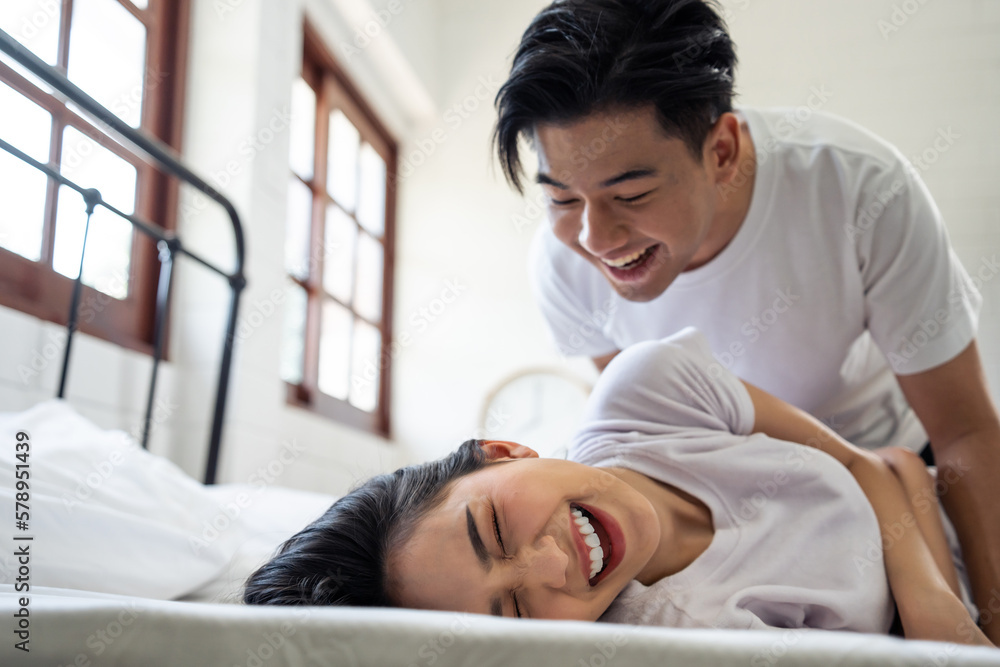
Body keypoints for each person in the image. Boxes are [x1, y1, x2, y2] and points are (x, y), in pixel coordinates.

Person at [492, 0, 1000, 641]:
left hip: (894, 468)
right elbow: (638, 435)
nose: (595, 237)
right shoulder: (562, 266)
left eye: (632, 195)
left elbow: (965, 429)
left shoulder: (862, 190)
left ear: (723, 150)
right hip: (737, 507)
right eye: (561, 197)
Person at [245, 329, 992, 647]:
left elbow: (873, 461)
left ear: (503, 452)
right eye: (511, 610)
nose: (548, 566)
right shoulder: (684, 638)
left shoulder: (650, 390)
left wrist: (939, 606)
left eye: (497, 530)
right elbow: (884, 474)